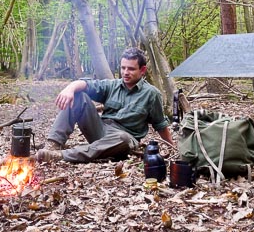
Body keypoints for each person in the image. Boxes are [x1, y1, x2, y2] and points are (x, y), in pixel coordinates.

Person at [35, 47, 174, 163]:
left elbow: (160, 124)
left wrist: (172, 147)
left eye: (131, 69)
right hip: (100, 131)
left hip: (122, 141)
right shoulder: (111, 85)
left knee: (123, 139)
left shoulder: (152, 94)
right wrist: (69, 88)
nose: (125, 72)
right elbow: (86, 84)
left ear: (142, 70)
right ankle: (52, 145)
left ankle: (62, 156)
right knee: (78, 95)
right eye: (123, 68)